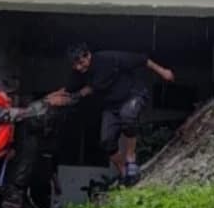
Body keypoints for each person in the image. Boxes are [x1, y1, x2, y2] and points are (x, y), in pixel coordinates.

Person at [63, 42, 175, 184]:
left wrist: (163, 71)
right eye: (75, 65)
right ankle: (124, 172)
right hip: (111, 105)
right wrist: (55, 98)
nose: (79, 67)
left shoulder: (109, 58)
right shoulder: (78, 73)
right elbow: (72, 89)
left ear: (88, 55)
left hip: (133, 94)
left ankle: (130, 158)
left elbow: (143, 59)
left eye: (81, 62)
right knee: (106, 141)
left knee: (127, 116)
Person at [0, 92, 67, 208]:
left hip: (22, 182)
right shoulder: (25, 124)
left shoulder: (34, 134)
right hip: (15, 181)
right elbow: (37, 118)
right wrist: (49, 102)